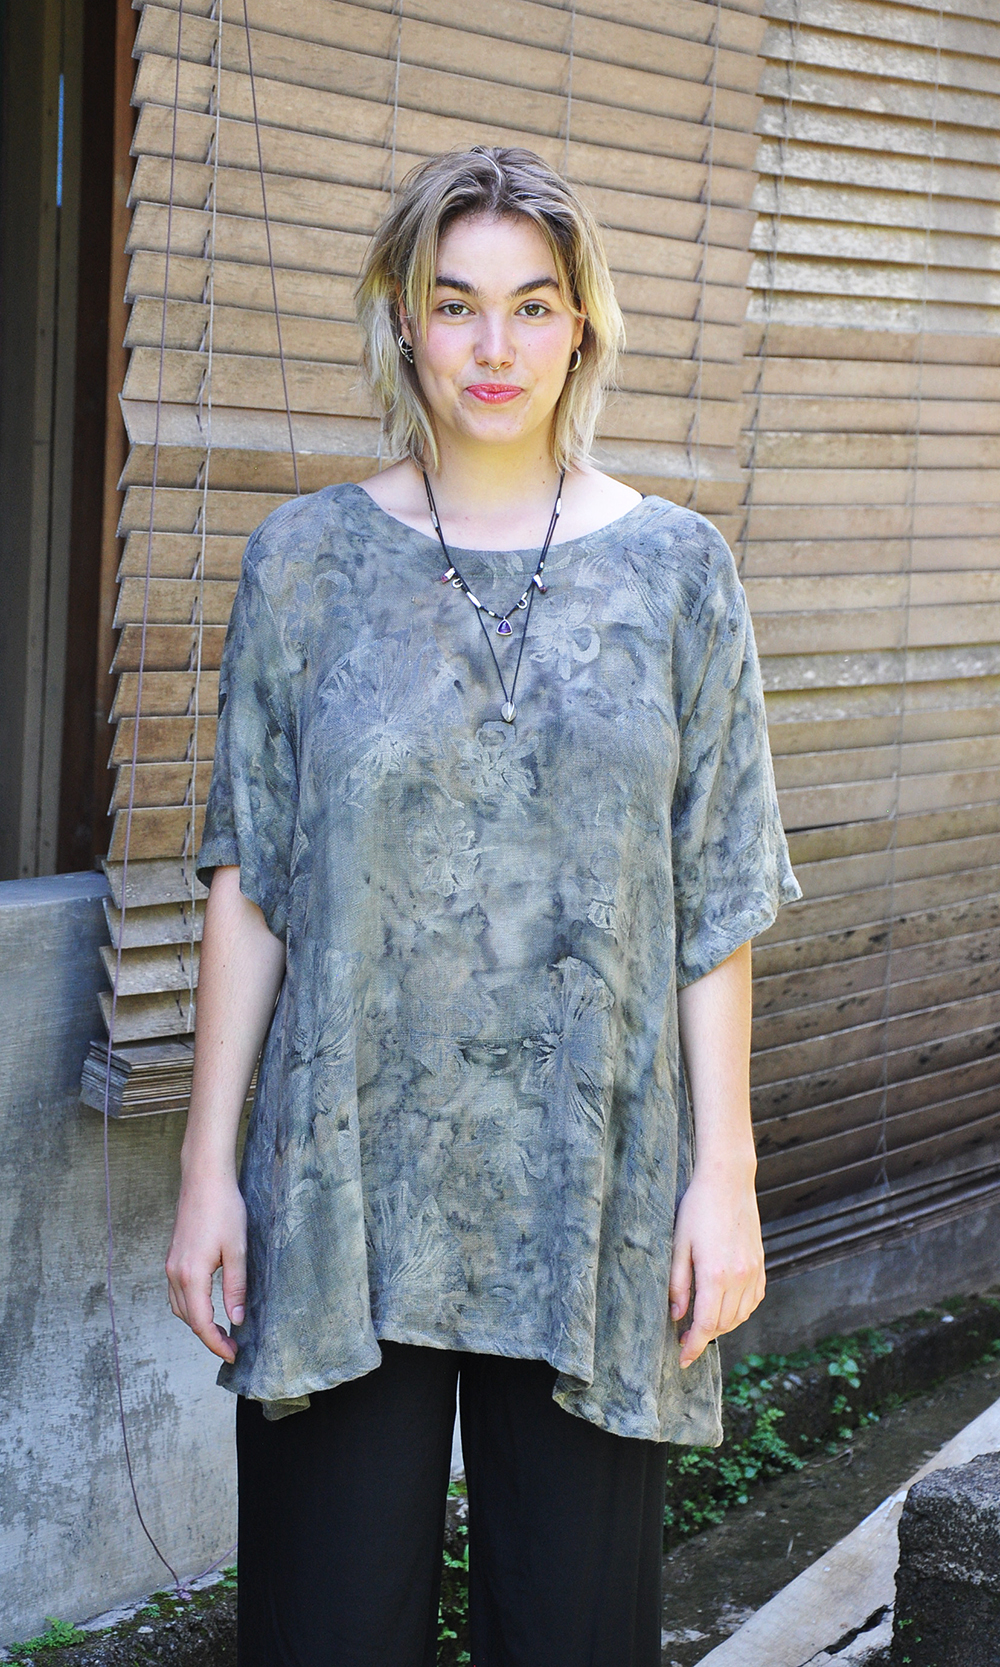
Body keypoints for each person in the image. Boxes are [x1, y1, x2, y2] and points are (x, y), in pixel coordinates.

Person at [166, 145, 801, 1667]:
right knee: (324, 1631)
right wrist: (206, 1173)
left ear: (583, 324)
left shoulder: (680, 572)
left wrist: (726, 1176)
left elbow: (715, 895)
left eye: (532, 304)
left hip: (597, 1191)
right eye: (455, 305)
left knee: (576, 1634)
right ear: (403, 320)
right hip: (343, 1186)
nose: (494, 346)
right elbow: (254, 881)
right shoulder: (305, 563)